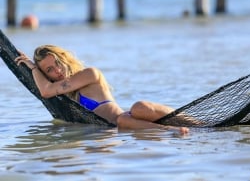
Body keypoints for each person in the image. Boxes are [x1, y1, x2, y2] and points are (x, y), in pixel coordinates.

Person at [15, 45, 189, 134]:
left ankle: (193, 124)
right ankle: (172, 131)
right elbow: (46, 90)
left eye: (57, 64)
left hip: (130, 118)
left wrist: (34, 69)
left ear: (64, 58)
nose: (57, 71)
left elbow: (46, 91)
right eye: (49, 70)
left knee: (137, 108)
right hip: (120, 127)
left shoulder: (90, 74)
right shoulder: (65, 96)